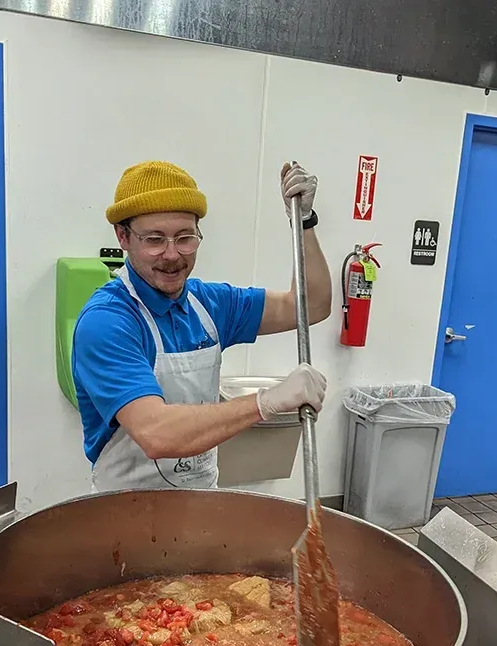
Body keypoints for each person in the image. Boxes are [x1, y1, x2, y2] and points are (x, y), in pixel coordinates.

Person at [73, 160, 332, 491]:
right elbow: (155, 433)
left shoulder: (211, 304)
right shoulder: (108, 321)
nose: (171, 254)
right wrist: (265, 402)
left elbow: (310, 306)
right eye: (154, 239)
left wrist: (304, 223)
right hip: (126, 516)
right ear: (123, 237)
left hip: (201, 505)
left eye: (185, 238)